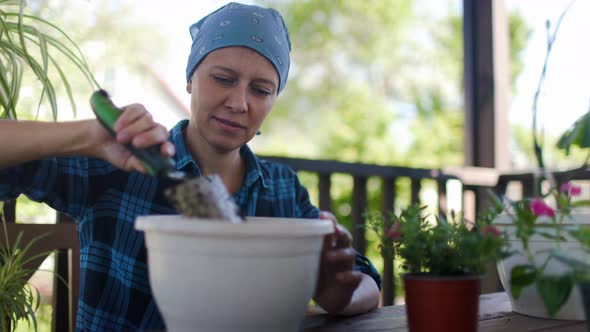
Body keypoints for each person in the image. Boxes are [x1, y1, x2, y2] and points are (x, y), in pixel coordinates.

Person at [0, 2, 381, 331]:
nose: (239, 102)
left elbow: (368, 284)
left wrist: (338, 293)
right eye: (223, 79)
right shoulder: (117, 168)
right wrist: (87, 136)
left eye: (261, 90)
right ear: (189, 79)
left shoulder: (282, 190)